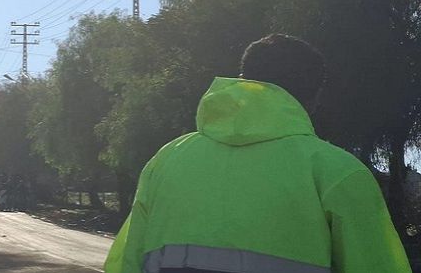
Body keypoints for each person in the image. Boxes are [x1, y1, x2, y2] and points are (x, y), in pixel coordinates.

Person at [105, 34, 411, 273]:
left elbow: (126, 263)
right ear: (314, 96)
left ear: (243, 78)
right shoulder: (338, 173)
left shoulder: (167, 160)